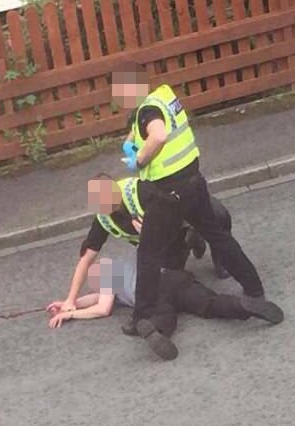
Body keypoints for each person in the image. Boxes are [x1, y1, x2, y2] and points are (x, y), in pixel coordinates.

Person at [112, 62, 268, 329]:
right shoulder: (162, 97)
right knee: (217, 236)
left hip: (168, 191)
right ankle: (254, 288)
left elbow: (158, 135)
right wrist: (133, 137)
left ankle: (143, 315)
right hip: (194, 181)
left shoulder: (148, 111)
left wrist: (139, 159)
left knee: (148, 253)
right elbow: (152, 125)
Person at [46, 174, 230, 317]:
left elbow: (174, 204)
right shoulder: (102, 219)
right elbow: (86, 259)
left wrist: (153, 228)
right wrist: (70, 301)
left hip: (181, 213)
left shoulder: (138, 191)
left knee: (218, 217)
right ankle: (190, 241)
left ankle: (217, 254)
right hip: (163, 242)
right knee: (171, 278)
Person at [47, 255, 284, 360]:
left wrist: (74, 314)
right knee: (210, 303)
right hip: (174, 278)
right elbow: (97, 298)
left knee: (164, 316)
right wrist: (69, 305)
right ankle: (242, 305)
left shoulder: (106, 268)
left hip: (155, 291)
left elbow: (102, 308)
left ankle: (154, 331)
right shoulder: (123, 269)